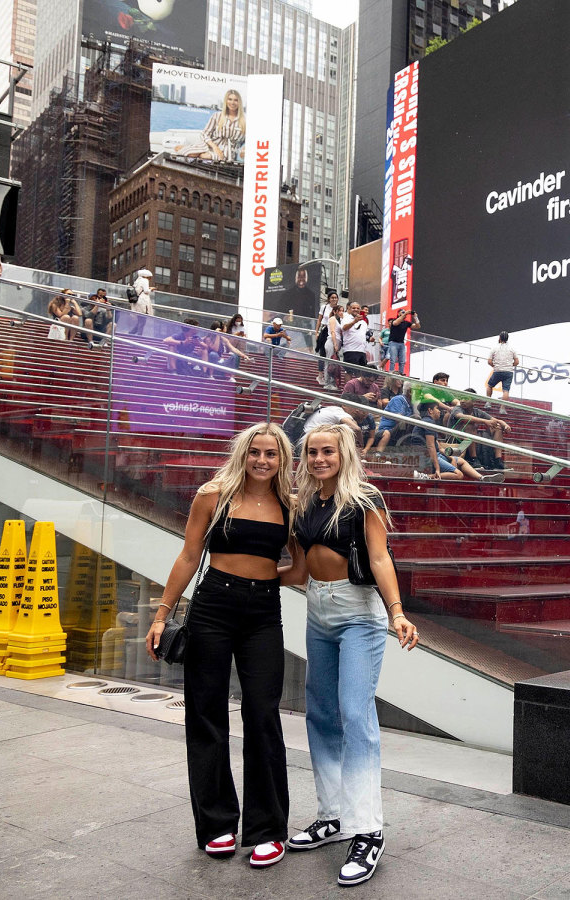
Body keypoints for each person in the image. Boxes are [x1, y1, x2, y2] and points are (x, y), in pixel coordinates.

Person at [144, 424, 294, 868]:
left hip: (263, 612)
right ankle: (217, 824)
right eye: (255, 453)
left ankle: (268, 829)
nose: (262, 461)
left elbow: (300, 568)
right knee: (206, 712)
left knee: (263, 712)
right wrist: (162, 614)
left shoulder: (291, 503)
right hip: (212, 605)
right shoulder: (213, 495)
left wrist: (260, 582)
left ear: (282, 459)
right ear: (242, 454)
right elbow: (189, 556)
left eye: (271, 454)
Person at [280, 425, 418, 885]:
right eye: (312, 452)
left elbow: (380, 559)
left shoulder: (364, 500)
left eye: (327, 452)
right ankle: (333, 815)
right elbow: (299, 570)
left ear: (344, 454)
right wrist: (247, 575)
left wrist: (397, 612)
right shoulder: (303, 502)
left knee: (355, 715)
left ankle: (368, 830)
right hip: (318, 610)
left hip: (360, 614)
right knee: (320, 712)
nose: (319, 459)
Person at [412, 402, 502, 482]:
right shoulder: (428, 423)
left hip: (434, 454)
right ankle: (425, 476)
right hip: (425, 457)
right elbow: (430, 447)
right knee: (458, 475)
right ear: (430, 410)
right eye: (437, 409)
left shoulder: (430, 422)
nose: (440, 411)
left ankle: (482, 478)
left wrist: (450, 458)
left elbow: (437, 446)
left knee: (461, 461)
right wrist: (437, 469)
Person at [176, 89, 246, 163]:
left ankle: (192, 149)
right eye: (230, 99)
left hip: (228, 151)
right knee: (184, 151)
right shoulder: (217, 115)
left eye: (236, 100)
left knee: (204, 156)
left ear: (239, 103)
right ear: (226, 101)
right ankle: (191, 149)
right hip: (212, 145)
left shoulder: (244, 121)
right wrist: (215, 147)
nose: (232, 102)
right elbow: (205, 134)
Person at [452, 389, 511, 470]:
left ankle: (498, 460)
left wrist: (504, 425)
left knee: (497, 427)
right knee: (470, 424)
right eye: (461, 398)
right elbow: (461, 416)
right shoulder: (457, 409)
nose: (462, 401)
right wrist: (484, 421)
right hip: (455, 439)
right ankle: (474, 459)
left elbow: (495, 420)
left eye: (466, 398)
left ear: (474, 401)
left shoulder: (477, 411)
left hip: (471, 438)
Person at [316, 291, 344, 387]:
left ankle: (331, 380)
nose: (334, 299)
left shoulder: (339, 313)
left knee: (332, 358)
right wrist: (316, 332)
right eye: (332, 297)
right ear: (329, 299)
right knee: (323, 354)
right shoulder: (324, 308)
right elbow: (319, 320)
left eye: (335, 297)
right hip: (325, 331)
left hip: (335, 334)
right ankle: (321, 376)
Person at [485, 332, 520, 399]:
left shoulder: (494, 348)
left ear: (499, 338)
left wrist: (495, 366)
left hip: (497, 371)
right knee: (506, 390)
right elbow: (517, 362)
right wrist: (509, 365)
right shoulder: (512, 349)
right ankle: (502, 408)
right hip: (508, 372)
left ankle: (488, 402)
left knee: (489, 386)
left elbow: (489, 361)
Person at [340, 302, 372, 373]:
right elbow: (344, 328)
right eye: (353, 308)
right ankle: (348, 384)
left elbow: (364, 335)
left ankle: (358, 384)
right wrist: (354, 321)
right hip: (350, 349)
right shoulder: (346, 318)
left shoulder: (363, 322)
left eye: (358, 308)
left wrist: (370, 339)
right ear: (349, 309)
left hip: (362, 351)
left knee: (360, 373)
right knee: (349, 372)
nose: (356, 310)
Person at [385, 308, 418, 375]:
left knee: (402, 360)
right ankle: (391, 372)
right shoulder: (394, 320)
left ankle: (401, 373)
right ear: (398, 313)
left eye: (404, 312)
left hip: (401, 343)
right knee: (393, 359)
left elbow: (417, 326)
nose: (404, 313)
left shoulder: (406, 323)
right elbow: (395, 323)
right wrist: (405, 313)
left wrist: (415, 317)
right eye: (402, 312)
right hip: (393, 342)